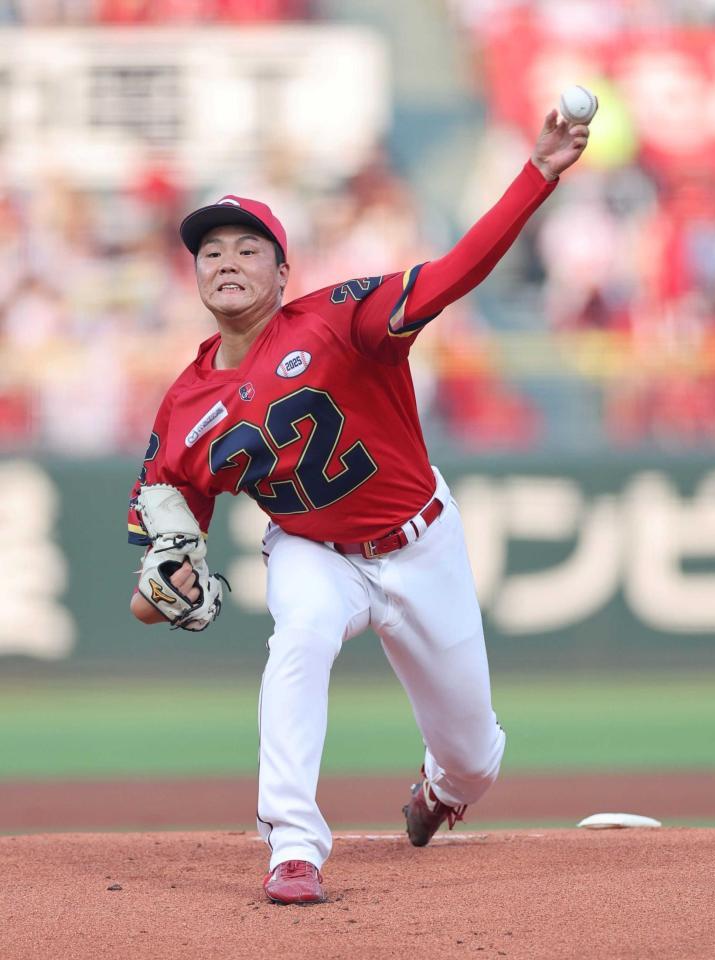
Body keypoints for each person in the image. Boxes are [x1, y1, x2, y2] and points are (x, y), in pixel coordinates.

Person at [127, 109, 590, 905]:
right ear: (195, 276)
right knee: (298, 635)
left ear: (281, 272)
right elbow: (156, 581)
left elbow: (455, 272)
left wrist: (538, 173)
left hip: (421, 542)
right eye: (210, 251)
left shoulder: (341, 317)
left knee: (477, 759)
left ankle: (441, 789)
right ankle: (293, 847)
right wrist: (158, 591)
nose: (227, 261)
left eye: (248, 248)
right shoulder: (184, 409)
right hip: (312, 550)